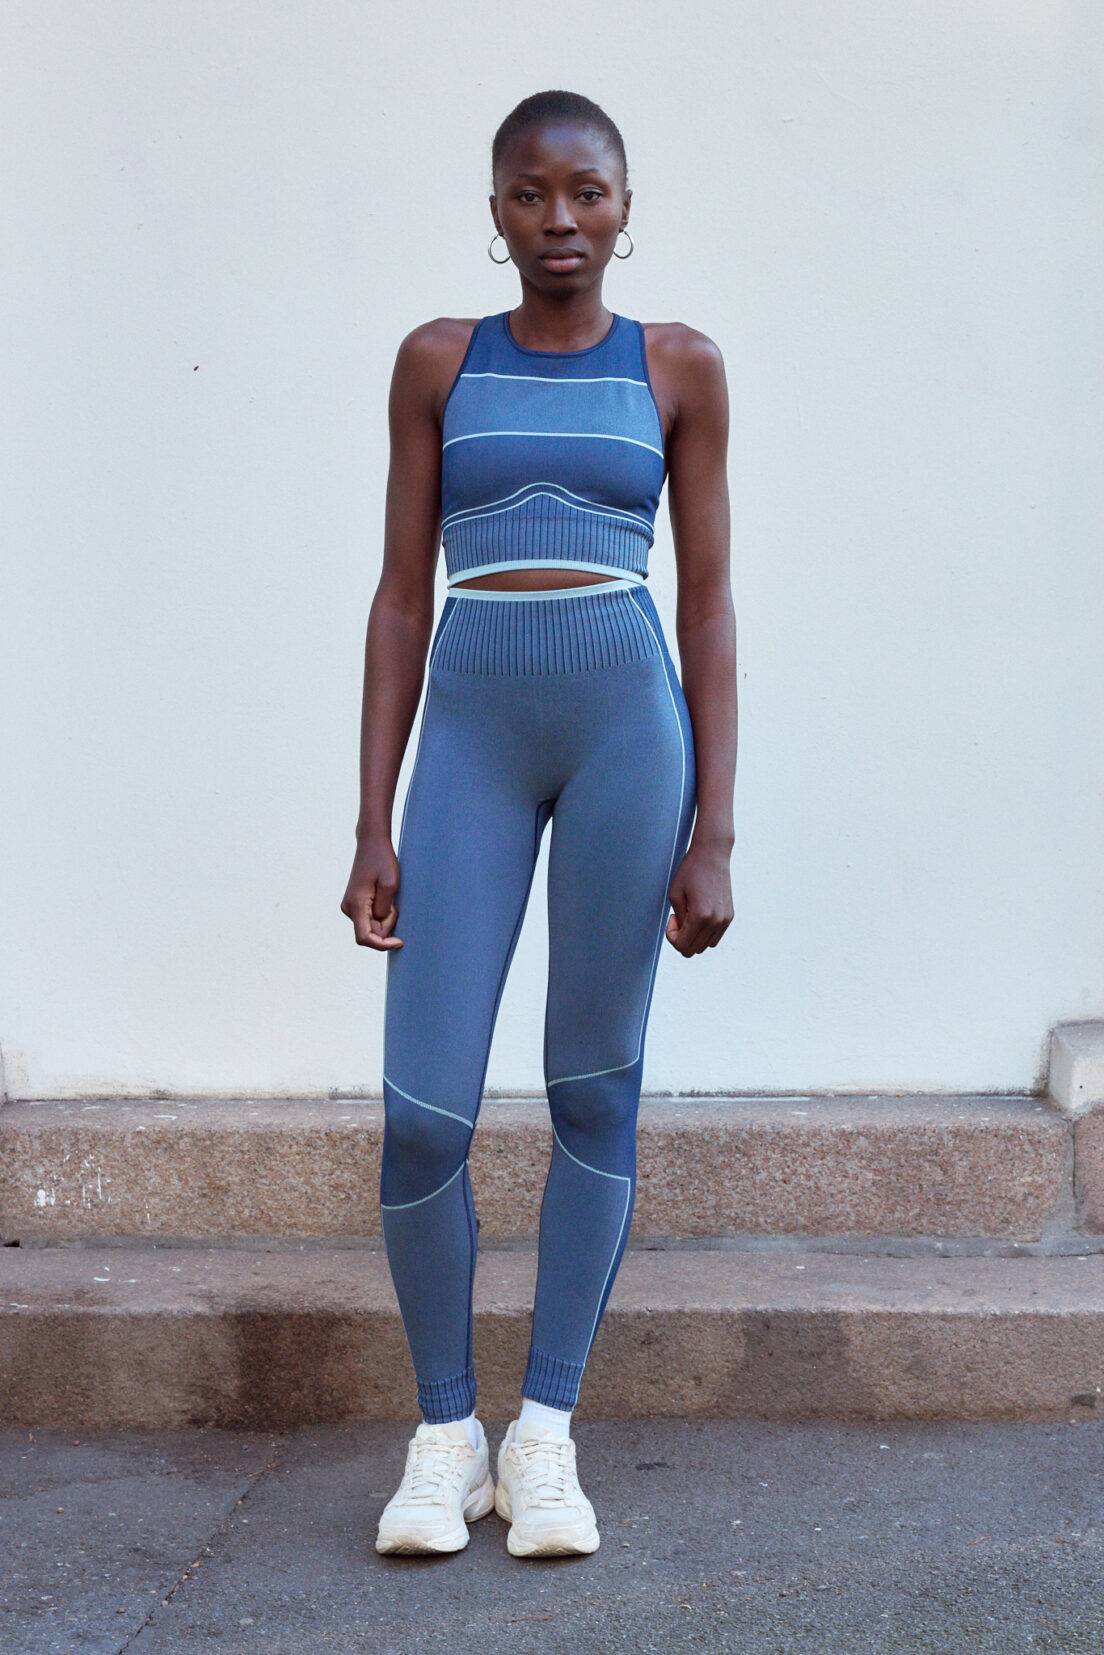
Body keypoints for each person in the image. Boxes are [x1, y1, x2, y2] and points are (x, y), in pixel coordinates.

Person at [341, 88, 736, 1559]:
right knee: (422, 1112)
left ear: (626, 210)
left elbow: (708, 605)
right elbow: (401, 599)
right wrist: (372, 821)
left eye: (587, 193)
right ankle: (445, 1436)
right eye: (530, 194)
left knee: (593, 1093)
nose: (560, 220)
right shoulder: (439, 363)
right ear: (496, 210)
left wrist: (717, 831)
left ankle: (546, 1434)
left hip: (629, 732)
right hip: (472, 734)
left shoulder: (678, 366)